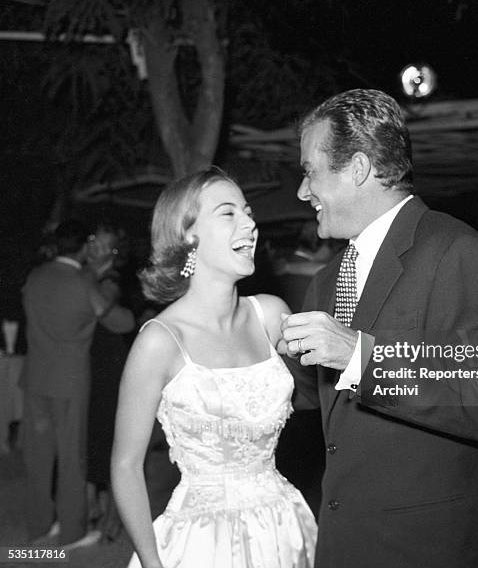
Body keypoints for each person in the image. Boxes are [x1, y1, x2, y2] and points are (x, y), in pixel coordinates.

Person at [279, 89, 478, 568]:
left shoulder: (454, 249)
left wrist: (363, 358)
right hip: (345, 540)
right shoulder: (328, 280)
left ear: (357, 169)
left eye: (309, 171)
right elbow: (321, 400)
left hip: (428, 547)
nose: (301, 192)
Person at [111, 168, 316, 568]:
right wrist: (152, 562)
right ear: (188, 236)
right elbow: (125, 465)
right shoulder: (160, 341)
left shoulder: (271, 315)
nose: (250, 224)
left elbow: (316, 397)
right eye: (229, 213)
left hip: (282, 528)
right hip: (201, 541)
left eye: (248, 211)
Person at [21, 219, 125, 548]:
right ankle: (71, 533)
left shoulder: (35, 276)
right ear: (82, 247)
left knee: (37, 460)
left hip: (35, 378)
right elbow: (118, 321)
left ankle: (38, 529)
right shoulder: (82, 282)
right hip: (70, 382)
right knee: (71, 460)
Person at [86, 222, 135, 542]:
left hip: (110, 366)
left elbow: (102, 305)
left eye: (101, 245)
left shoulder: (111, 279)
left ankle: (114, 522)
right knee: (92, 439)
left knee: (109, 440)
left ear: (113, 253)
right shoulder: (88, 275)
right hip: (89, 364)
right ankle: (95, 510)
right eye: (91, 241)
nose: (93, 248)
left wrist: (79, 276)